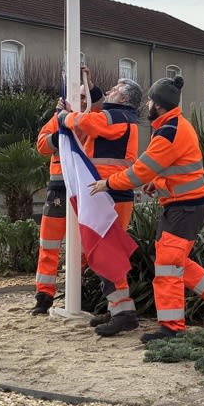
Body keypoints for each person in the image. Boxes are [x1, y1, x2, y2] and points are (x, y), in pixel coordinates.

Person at [90, 75, 204, 344]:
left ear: (158, 104)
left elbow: (140, 171)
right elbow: (171, 167)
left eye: (150, 100)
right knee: (174, 262)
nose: (147, 104)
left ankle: (172, 328)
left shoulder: (168, 131)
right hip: (185, 206)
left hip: (185, 208)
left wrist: (107, 183)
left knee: (168, 265)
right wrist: (158, 184)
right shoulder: (172, 125)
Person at [60, 67, 142, 336]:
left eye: (115, 90)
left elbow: (89, 122)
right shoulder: (123, 116)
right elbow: (96, 115)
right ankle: (117, 308)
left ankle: (123, 313)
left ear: (124, 99)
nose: (109, 92)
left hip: (110, 195)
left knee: (108, 255)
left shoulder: (118, 116)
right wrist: (91, 88)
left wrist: (64, 117)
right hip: (108, 193)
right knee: (108, 253)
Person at [31, 80, 104, 316]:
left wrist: (90, 88)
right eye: (78, 96)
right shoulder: (58, 118)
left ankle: (78, 290)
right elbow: (41, 145)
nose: (82, 100)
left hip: (85, 190)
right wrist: (60, 131)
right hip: (59, 189)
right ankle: (44, 296)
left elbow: (98, 108)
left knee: (83, 245)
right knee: (49, 243)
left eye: (85, 96)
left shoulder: (95, 116)